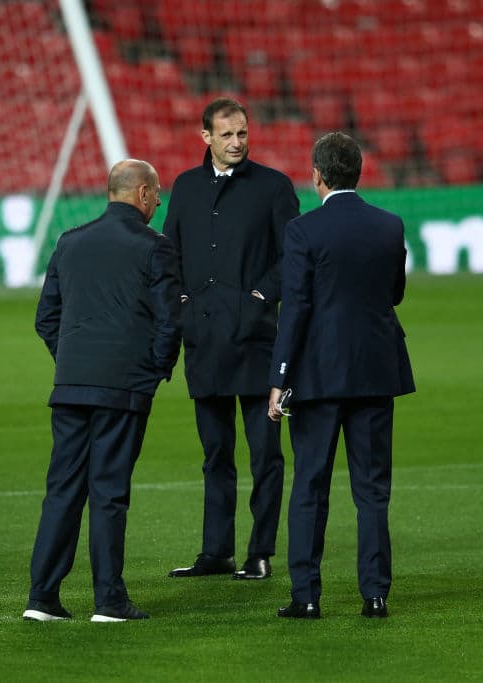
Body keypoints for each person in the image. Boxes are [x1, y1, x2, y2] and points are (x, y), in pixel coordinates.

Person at [23, 159, 181, 622]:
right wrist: (152, 370)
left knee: (62, 491)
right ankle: (109, 600)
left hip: (71, 386)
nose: (157, 202)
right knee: (109, 491)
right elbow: (170, 321)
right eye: (155, 194)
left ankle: (42, 598)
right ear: (142, 194)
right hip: (123, 388)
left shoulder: (70, 242)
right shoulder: (156, 247)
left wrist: (73, 360)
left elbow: (45, 318)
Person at [268, 132, 415, 619]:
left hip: (317, 375)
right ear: (359, 171)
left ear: (317, 175)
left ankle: (306, 596)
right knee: (372, 490)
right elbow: (394, 293)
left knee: (310, 485)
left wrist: (280, 376)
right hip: (375, 371)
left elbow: (297, 308)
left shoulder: (304, 231)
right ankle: (375, 595)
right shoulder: (389, 226)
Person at [164, 98, 299, 580]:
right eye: (227, 135)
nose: (237, 142)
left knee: (265, 455)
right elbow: (170, 255)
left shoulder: (274, 187)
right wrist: (181, 306)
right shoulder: (184, 187)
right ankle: (215, 551)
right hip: (204, 341)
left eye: (242, 133)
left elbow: (293, 257)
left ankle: (260, 552)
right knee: (215, 454)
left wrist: (260, 294)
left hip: (259, 342)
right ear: (206, 137)